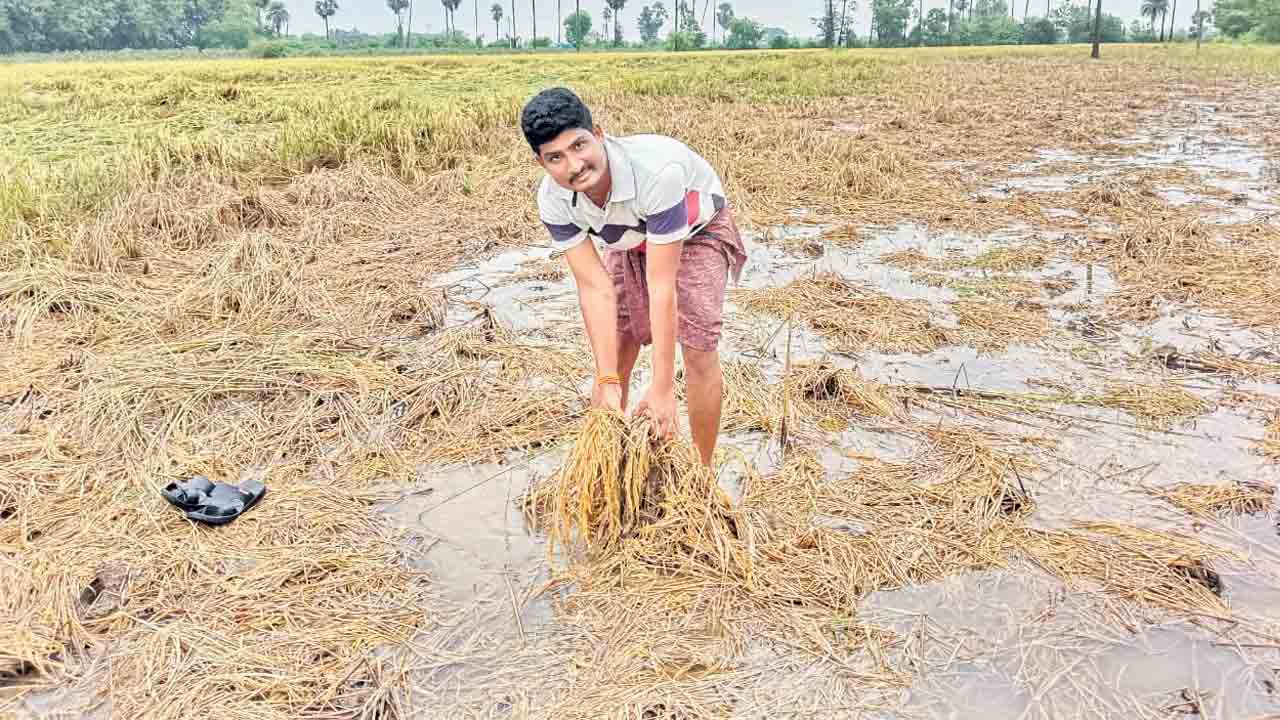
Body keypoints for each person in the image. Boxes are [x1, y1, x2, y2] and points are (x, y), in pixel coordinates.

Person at [521, 87, 746, 467]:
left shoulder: (657, 173)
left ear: (599, 133)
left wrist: (662, 389)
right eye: (556, 158)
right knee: (618, 344)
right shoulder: (553, 199)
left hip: (694, 230)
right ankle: (610, 468)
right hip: (629, 236)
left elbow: (662, 287)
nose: (574, 166)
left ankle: (701, 475)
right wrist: (607, 381)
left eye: (579, 146)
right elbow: (594, 287)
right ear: (541, 162)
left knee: (697, 348)